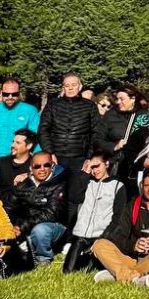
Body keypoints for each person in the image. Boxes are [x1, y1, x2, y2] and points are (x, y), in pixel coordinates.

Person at [92, 167, 149, 286]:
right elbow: (118, 236)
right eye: (146, 185)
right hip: (135, 260)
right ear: (141, 185)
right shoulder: (131, 206)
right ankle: (134, 278)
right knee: (100, 244)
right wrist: (133, 245)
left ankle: (122, 274)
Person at [39, 72, 101, 219]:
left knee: (75, 195)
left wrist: (90, 156)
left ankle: (71, 229)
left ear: (80, 86)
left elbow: (96, 132)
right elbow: (43, 129)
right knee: (54, 194)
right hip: (56, 157)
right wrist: (49, 152)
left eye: (74, 85)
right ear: (63, 87)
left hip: (79, 157)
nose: (70, 88)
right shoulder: (53, 105)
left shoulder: (89, 106)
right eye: (67, 85)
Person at [65, 152, 129, 273]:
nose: (95, 170)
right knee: (68, 271)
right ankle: (85, 257)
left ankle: (94, 260)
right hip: (82, 236)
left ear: (106, 164)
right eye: (92, 167)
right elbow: (74, 198)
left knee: (90, 270)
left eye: (97, 166)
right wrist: (85, 173)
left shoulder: (118, 186)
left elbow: (118, 217)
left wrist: (104, 238)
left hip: (102, 236)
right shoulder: (87, 182)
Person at [5, 152, 68, 266]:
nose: (42, 169)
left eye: (46, 165)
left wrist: (22, 226)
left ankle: (43, 258)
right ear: (31, 168)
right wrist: (9, 225)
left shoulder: (60, 184)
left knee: (40, 230)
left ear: (52, 166)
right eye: (37, 166)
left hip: (53, 226)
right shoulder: (23, 184)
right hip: (25, 226)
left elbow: (51, 214)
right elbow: (9, 206)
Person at [96, 85, 148, 176]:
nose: (118, 102)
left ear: (133, 99)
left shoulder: (143, 116)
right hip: (115, 163)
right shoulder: (110, 115)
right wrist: (114, 146)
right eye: (117, 99)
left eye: (122, 99)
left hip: (137, 164)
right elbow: (98, 139)